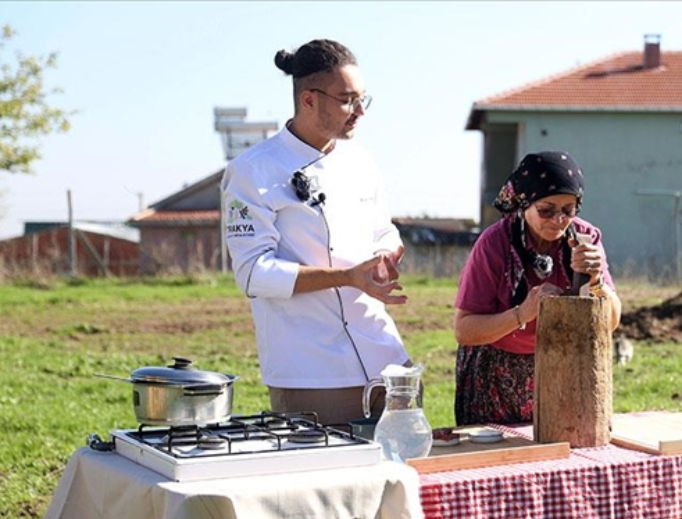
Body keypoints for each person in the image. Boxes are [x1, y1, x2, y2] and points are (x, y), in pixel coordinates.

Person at [221, 39, 411, 427]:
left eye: (363, 99)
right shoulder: (251, 171)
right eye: (347, 100)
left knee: (405, 477)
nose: (360, 112)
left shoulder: (362, 160)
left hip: (386, 358)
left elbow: (383, 231)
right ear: (308, 100)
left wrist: (388, 254)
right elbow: (253, 273)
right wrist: (345, 277)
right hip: (312, 370)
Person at [452, 151, 622, 425]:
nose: (558, 220)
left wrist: (597, 282)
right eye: (546, 210)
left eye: (569, 210)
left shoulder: (586, 238)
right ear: (523, 203)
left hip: (563, 365)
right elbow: (464, 330)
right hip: (496, 372)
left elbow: (611, 322)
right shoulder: (494, 244)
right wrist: (523, 313)